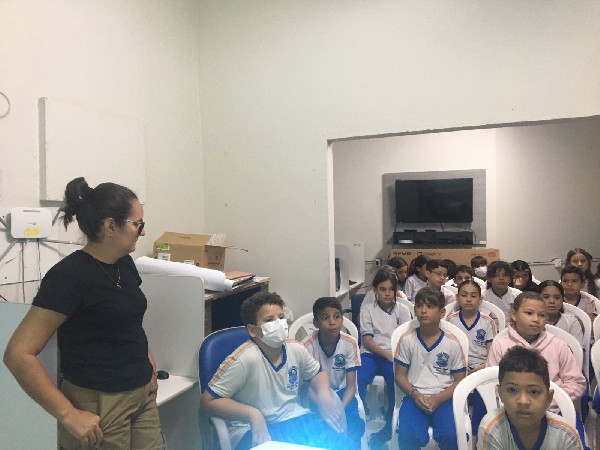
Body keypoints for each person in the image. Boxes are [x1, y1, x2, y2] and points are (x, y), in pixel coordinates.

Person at [3, 177, 166, 450]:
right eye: (138, 224)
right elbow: (18, 354)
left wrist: (147, 361)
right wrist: (68, 414)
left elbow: (128, 321)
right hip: (100, 403)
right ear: (111, 226)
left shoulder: (124, 264)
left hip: (141, 393)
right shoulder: (68, 277)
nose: (143, 232)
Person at [201, 292, 352, 450]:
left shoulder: (295, 348)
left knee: (344, 444)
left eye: (281, 317)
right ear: (253, 330)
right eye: (269, 320)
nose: (279, 323)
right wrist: (252, 414)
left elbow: (318, 373)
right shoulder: (244, 359)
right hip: (253, 428)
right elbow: (208, 401)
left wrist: (323, 394)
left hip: (294, 417)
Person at [485, 291, 588, 448]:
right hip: (514, 411)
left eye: (542, 315)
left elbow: (576, 382)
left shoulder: (558, 345)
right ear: (514, 314)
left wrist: (547, 402)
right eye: (529, 313)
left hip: (555, 410)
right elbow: (492, 383)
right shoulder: (500, 346)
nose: (535, 319)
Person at [394, 287, 467, 450]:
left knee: (451, 435)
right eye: (419, 306)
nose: (423, 311)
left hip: (444, 398)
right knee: (409, 435)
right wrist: (415, 394)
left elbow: (460, 381)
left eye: (430, 306)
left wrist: (438, 398)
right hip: (414, 397)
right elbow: (399, 376)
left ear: (442, 312)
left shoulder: (452, 343)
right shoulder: (407, 340)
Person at [477, 346, 583, 450]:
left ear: (549, 398)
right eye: (512, 390)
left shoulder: (565, 434)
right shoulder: (492, 430)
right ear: (500, 393)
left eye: (534, 392)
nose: (523, 401)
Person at [358, 266, 412, 449]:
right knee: (359, 378)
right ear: (375, 290)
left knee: (396, 383)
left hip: (395, 356)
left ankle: (389, 426)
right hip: (371, 354)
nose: (387, 294)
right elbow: (367, 342)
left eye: (391, 289)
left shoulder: (403, 311)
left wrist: (393, 356)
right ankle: (358, 418)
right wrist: (387, 355)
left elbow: (406, 339)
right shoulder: (367, 310)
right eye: (383, 289)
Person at [302, 297, 364, 447]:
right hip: (316, 396)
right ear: (316, 323)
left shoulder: (350, 343)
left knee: (354, 424)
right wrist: (323, 406)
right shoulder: (306, 346)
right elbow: (306, 387)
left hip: (343, 393)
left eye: (337, 317)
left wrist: (340, 409)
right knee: (319, 428)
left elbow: (351, 387)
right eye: (325, 318)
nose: (332, 322)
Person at [446, 280, 497, 374]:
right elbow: (446, 349)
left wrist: (482, 367)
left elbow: (492, 354)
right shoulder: (450, 320)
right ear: (457, 298)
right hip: (455, 367)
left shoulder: (488, 322)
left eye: (473, 296)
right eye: (464, 295)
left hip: (481, 369)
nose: (468, 299)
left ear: (480, 299)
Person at [539, 280, 584, 350]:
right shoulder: (532, 321)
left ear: (562, 299)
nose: (552, 301)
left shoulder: (571, 322)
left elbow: (578, 351)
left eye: (557, 297)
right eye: (546, 297)